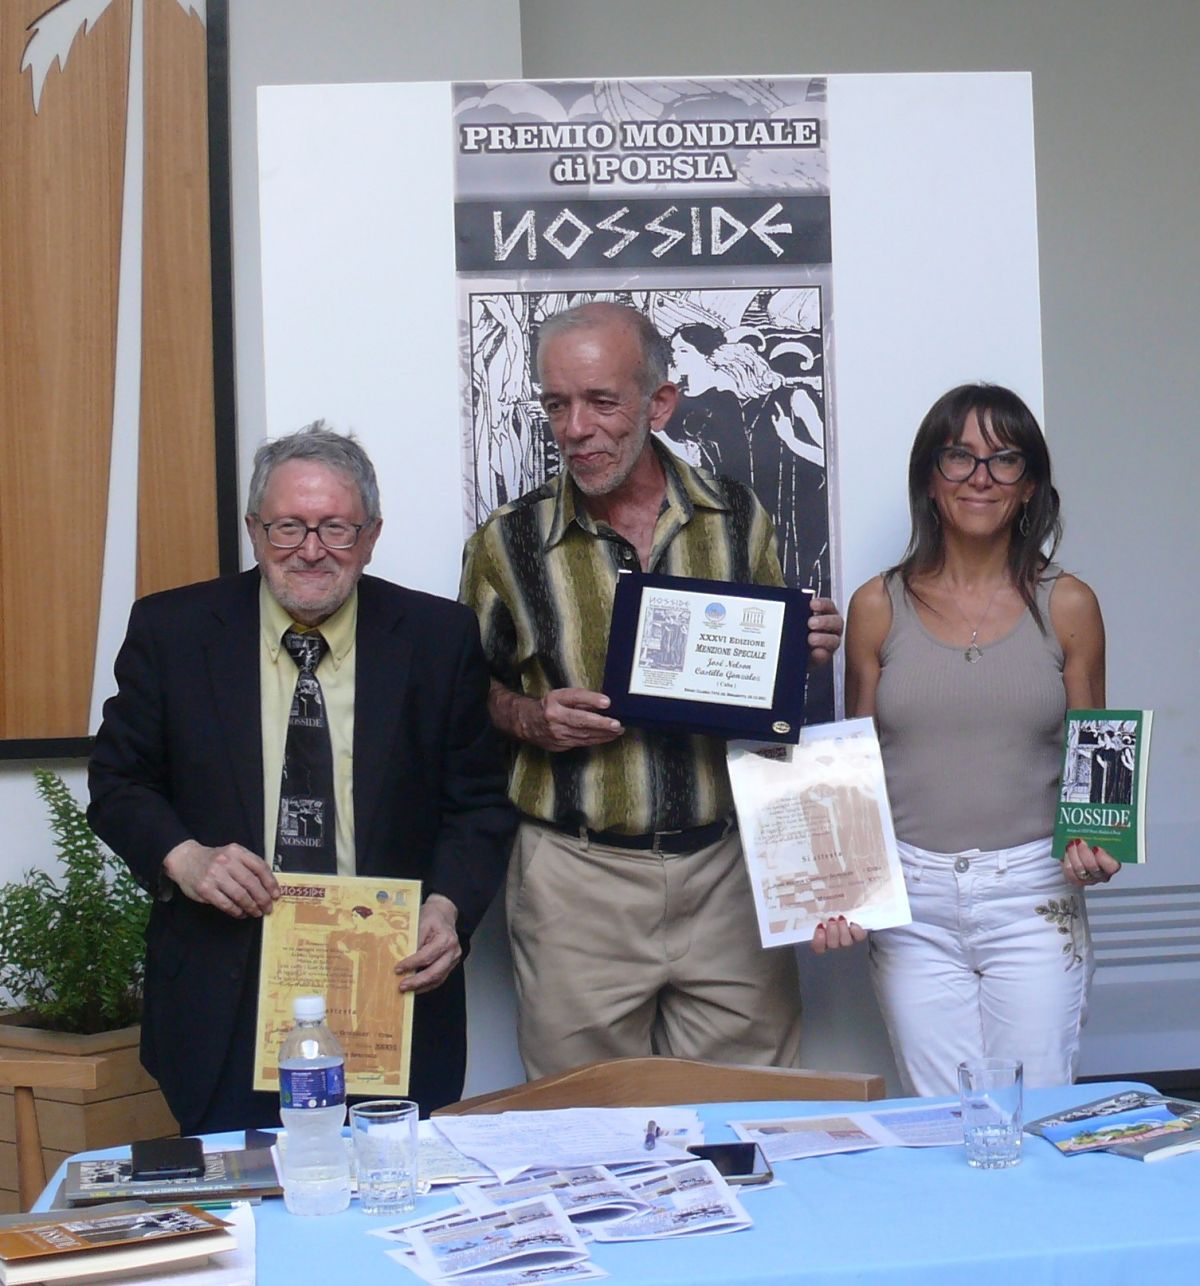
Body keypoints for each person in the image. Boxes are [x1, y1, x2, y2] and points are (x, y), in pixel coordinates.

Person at [89, 423, 516, 1132]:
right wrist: (185, 858)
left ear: (371, 536)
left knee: (386, 1185)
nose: (310, 550)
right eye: (288, 526)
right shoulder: (173, 631)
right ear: (254, 531)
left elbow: (478, 805)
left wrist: (448, 908)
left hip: (388, 986)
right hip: (223, 987)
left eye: (335, 528)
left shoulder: (437, 638)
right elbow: (117, 782)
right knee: (243, 1187)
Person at [460, 301, 843, 1079]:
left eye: (601, 401)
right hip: (577, 881)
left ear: (659, 403)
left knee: (753, 1113)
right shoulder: (507, 540)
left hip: (727, 873)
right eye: (557, 404)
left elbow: (776, 709)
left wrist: (803, 652)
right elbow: (463, 696)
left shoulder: (737, 517)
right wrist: (530, 717)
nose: (576, 428)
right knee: (583, 1122)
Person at [814, 384, 1116, 1095]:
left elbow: (1099, 757)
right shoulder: (876, 605)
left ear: (1029, 483)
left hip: (1033, 897)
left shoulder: (1069, 604)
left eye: (1004, 459)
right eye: (959, 457)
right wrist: (837, 887)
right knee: (941, 1120)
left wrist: (1101, 845)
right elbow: (857, 768)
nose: (981, 477)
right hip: (912, 899)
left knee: (1033, 1111)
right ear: (930, 475)